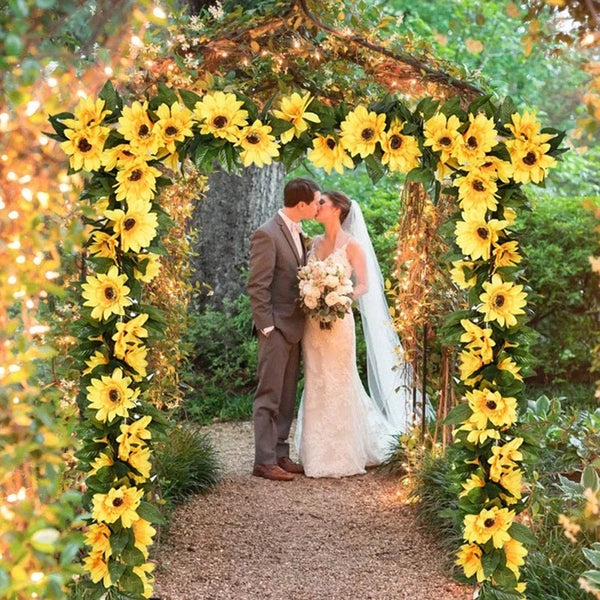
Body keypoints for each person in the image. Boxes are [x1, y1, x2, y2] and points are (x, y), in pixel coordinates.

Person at [295, 190, 410, 478]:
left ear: (337, 209)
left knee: (339, 380)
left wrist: (341, 294)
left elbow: (365, 285)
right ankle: (315, 451)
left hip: (339, 323)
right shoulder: (315, 244)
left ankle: (344, 453)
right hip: (314, 324)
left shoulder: (353, 246)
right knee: (316, 379)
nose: (316, 206)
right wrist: (315, 294)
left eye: (322, 203)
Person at [247, 177, 321, 481]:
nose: (318, 207)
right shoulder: (267, 234)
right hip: (275, 328)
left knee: (287, 395)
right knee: (269, 395)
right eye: (316, 202)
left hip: (295, 327)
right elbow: (257, 286)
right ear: (301, 204)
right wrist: (267, 328)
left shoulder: (299, 232)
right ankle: (263, 461)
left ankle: (280, 453)